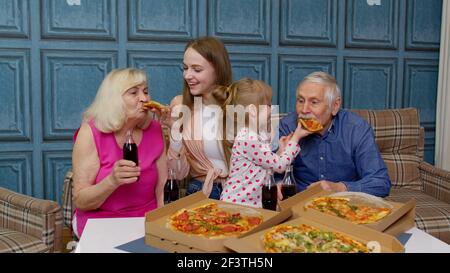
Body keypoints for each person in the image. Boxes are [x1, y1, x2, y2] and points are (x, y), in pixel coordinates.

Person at [71, 68, 167, 237]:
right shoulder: (90, 133)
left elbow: (162, 187)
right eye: (133, 93)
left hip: (146, 219)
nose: (144, 98)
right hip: (100, 220)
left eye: (145, 92)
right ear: (114, 100)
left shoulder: (155, 129)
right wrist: (112, 181)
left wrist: (163, 227)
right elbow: (81, 200)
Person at [278, 71, 391, 197]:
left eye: (314, 102)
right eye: (300, 101)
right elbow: (273, 173)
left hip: (344, 205)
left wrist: (338, 187)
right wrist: (277, 185)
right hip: (299, 202)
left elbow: (381, 182)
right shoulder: (287, 126)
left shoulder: (356, 129)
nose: (304, 110)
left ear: (335, 106)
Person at [157, 36, 232, 199]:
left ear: (218, 70)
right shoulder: (180, 105)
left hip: (239, 191)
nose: (187, 75)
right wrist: (175, 132)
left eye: (197, 69)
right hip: (200, 190)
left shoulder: (239, 103)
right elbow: (177, 174)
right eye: (185, 68)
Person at [217, 78, 311, 207]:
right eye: (268, 105)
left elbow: (266, 163)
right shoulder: (248, 140)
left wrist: (280, 150)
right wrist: (296, 138)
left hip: (252, 203)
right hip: (236, 204)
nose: (271, 109)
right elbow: (280, 166)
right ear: (252, 111)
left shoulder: (259, 135)